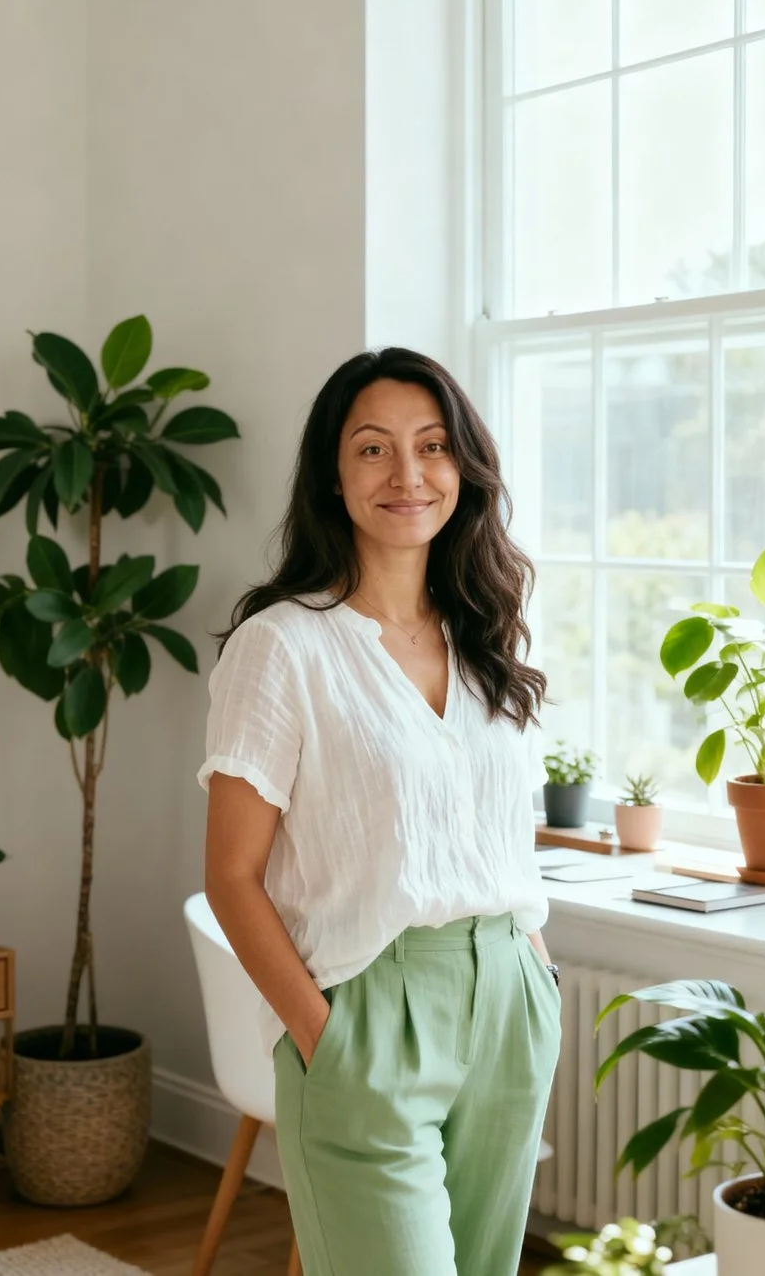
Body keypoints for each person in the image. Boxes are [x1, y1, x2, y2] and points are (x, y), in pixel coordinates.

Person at [200, 349, 559, 1276]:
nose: (408, 474)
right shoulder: (282, 646)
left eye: (433, 445)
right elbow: (232, 877)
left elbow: (499, 836)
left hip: (508, 1007)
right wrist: (326, 1038)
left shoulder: (486, 639)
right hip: (368, 1007)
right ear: (333, 472)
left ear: (463, 467)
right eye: (373, 448)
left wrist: (538, 981)